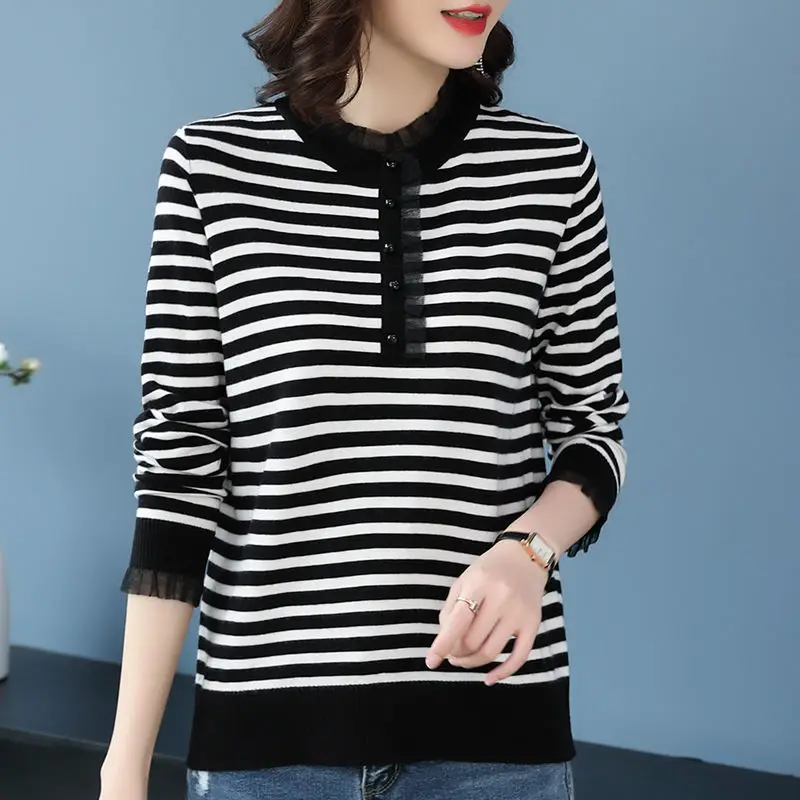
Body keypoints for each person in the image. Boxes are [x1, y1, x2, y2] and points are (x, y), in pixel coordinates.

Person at [99, 1, 630, 798]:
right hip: (266, 751)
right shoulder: (212, 168)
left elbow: (595, 429)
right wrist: (125, 767)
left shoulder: (550, 171)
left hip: (496, 743)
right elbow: (179, 473)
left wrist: (529, 551)